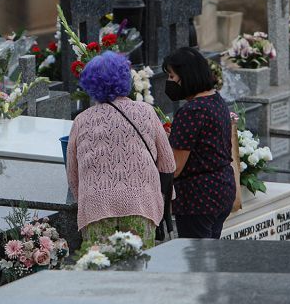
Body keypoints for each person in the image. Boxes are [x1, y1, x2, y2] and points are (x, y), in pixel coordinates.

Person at [66, 50, 176, 248]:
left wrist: (89, 198)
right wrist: (161, 199)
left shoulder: (80, 121)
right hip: (140, 203)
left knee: (102, 270)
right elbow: (168, 164)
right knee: (139, 268)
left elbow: (73, 176)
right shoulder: (145, 112)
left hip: (95, 207)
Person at [164, 47, 238, 239]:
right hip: (222, 188)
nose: (169, 82)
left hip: (198, 198)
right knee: (209, 257)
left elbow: (176, 166)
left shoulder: (192, 111)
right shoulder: (215, 100)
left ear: (186, 77)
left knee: (197, 261)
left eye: (172, 77)